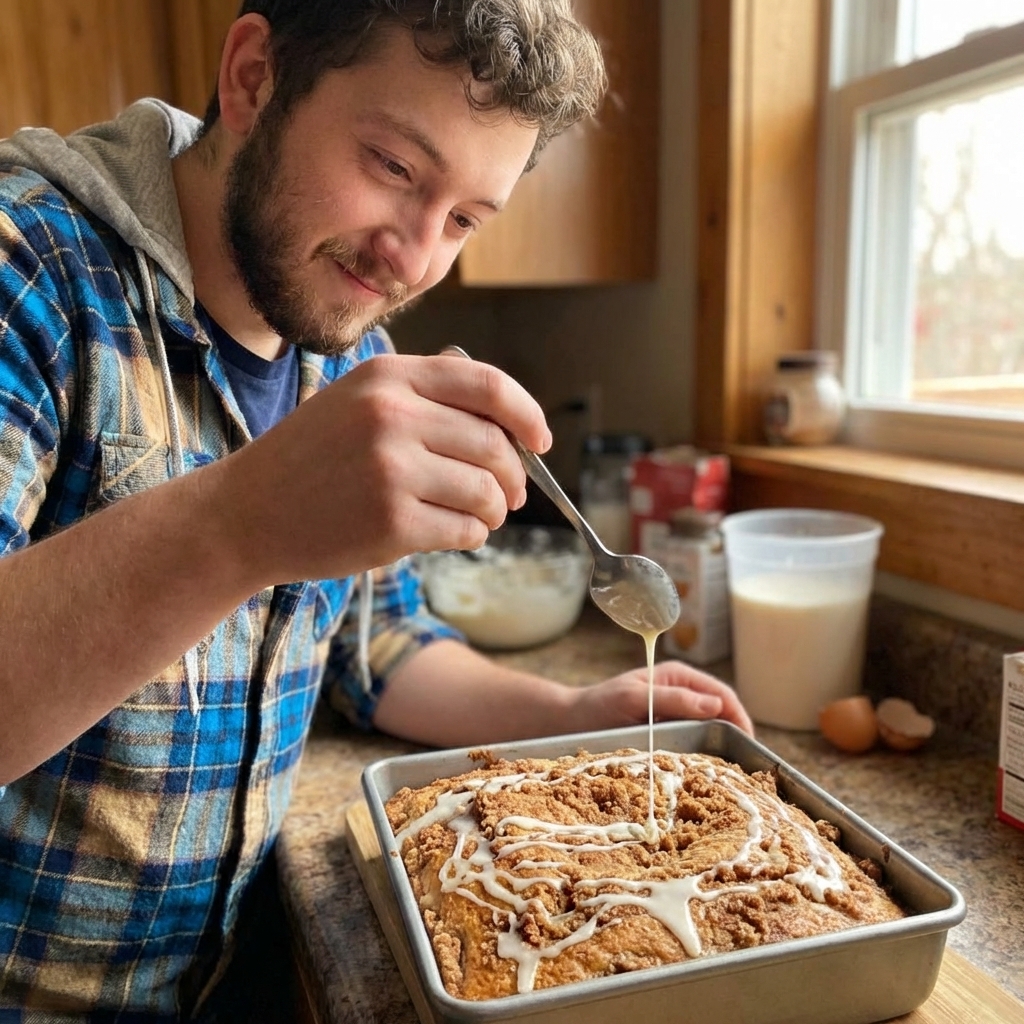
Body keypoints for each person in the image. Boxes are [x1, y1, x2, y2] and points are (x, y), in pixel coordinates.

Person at [0, 0, 753, 1018]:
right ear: (255, 77)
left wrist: (567, 718)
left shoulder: (352, 352)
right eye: (394, 167)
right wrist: (239, 523)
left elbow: (376, 644)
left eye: (465, 220)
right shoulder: (26, 267)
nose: (413, 258)